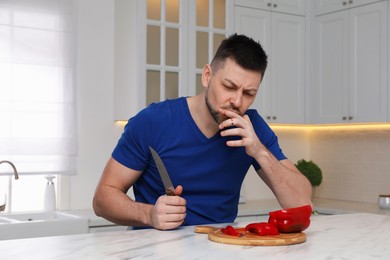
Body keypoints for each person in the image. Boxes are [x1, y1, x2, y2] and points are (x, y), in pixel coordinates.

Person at [93, 33, 312, 230]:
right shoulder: (152, 121)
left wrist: (259, 151)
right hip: (157, 251)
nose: (237, 101)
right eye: (229, 86)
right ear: (207, 76)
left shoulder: (252, 127)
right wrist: (148, 214)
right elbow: (103, 198)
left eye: (249, 93)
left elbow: (302, 203)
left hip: (221, 247)